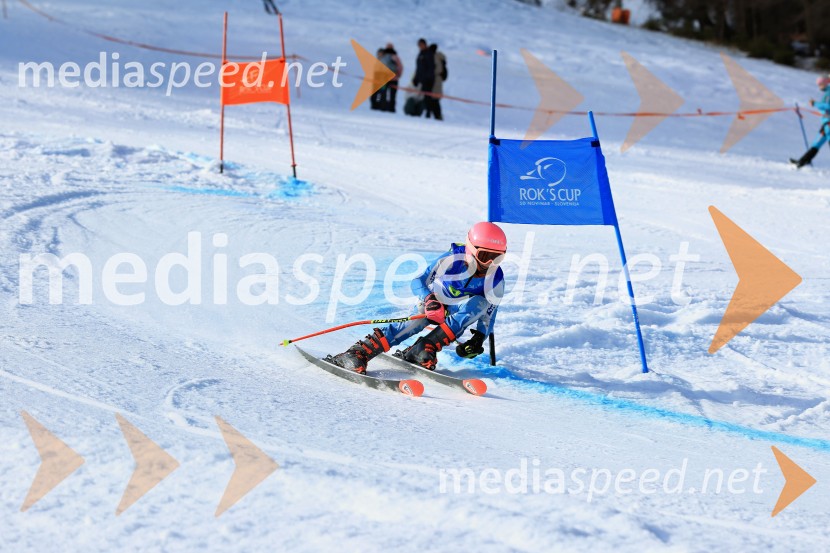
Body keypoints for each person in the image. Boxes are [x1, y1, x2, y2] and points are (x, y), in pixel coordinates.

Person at [328, 222, 508, 373]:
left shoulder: (496, 280)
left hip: (457, 314)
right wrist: (429, 299)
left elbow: (489, 313)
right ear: (470, 250)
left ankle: (422, 348)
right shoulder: (452, 260)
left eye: (497, 258)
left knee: (480, 303)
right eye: (485, 256)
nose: (490, 264)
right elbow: (418, 280)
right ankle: (359, 352)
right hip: (435, 301)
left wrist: (478, 339)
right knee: (418, 320)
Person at [791, 75, 830, 168]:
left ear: (826, 83)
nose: (819, 87)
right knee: (816, 143)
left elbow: (828, 106)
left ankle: (802, 162)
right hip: (826, 123)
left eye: (820, 84)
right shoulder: (827, 93)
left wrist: (815, 104)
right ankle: (802, 162)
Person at [412, 38, 435, 116]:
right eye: (419, 45)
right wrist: (416, 78)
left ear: (425, 44)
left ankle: (428, 112)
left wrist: (427, 78)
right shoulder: (420, 54)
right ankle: (419, 112)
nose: (420, 46)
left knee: (427, 97)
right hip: (421, 79)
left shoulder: (429, 54)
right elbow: (418, 68)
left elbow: (431, 68)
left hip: (428, 80)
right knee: (420, 97)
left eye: (421, 45)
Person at [380, 43, 403, 112]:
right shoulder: (395, 57)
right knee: (392, 96)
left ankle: (383, 108)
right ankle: (391, 109)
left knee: (383, 94)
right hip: (394, 79)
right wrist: (398, 75)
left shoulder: (383, 57)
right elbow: (400, 67)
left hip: (384, 80)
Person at [427, 43, 446, 120]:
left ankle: (436, 116)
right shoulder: (440, 57)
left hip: (435, 80)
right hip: (438, 81)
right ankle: (436, 116)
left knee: (433, 101)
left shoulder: (434, 57)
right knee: (434, 100)